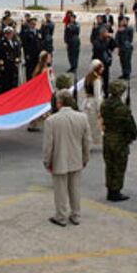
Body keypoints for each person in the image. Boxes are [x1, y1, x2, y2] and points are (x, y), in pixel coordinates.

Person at [43, 90, 90, 227]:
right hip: (76, 158)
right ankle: (76, 214)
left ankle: (61, 216)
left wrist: (47, 161)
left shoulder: (51, 121)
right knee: (75, 188)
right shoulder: (82, 118)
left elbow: (48, 145)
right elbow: (87, 141)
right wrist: (85, 158)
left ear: (59, 103)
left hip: (59, 159)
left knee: (60, 190)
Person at [100, 80, 137, 202]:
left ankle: (110, 189)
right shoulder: (123, 109)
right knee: (119, 166)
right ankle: (116, 191)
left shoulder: (104, 104)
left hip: (108, 137)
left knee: (109, 165)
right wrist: (132, 136)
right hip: (119, 140)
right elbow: (131, 126)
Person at [82, 60, 105, 149]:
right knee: (95, 124)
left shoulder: (88, 77)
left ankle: (87, 142)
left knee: (88, 124)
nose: (103, 69)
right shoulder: (97, 80)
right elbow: (97, 95)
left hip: (87, 102)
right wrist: (100, 109)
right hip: (93, 104)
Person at [91, 27, 116, 96]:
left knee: (106, 79)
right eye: (106, 33)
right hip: (98, 63)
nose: (107, 34)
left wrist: (111, 38)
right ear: (102, 34)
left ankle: (106, 92)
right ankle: (97, 92)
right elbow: (100, 48)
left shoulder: (108, 39)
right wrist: (107, 42)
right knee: (97, 79)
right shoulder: (97, 41)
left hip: (106, 62)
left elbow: (114, 45)